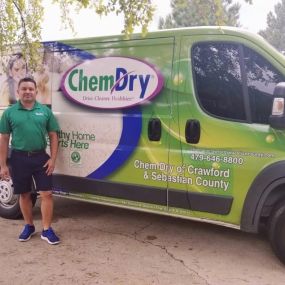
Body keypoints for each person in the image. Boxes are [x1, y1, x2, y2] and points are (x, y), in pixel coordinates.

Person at [0, 77, 60, 244]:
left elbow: (54, 136)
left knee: (47, 194)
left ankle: (47, 230)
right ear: (18, 92)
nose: (27, 91)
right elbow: (4, 138)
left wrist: (53, 159)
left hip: (41, 157)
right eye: (24, 89)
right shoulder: (9, 112)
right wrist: (3, 165)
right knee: (25, 194)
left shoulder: (45, 111)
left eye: (30, 89)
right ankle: (29, 226)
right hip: (19, 158)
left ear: (36, 92)